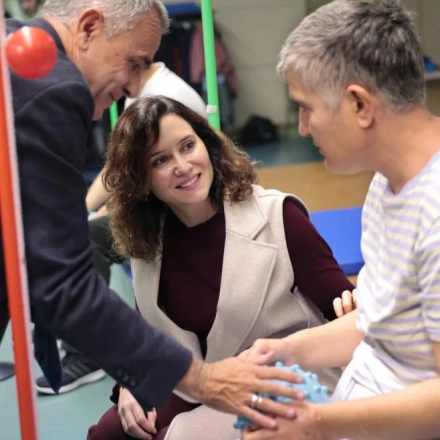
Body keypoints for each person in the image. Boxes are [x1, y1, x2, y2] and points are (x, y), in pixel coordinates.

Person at [0, 0, 313, 430]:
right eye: (133, 63)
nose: (133, 86)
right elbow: (61, 282)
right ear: (88, 28)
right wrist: (199, 380)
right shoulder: (54, 85)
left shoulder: (278, 215)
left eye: (187, 147)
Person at [86, 95, 355, 440]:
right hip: (193, 382)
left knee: (171, 436)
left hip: (277, 382)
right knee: (110, 432)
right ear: (141, 179)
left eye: (187, 146)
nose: (182, 165)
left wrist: (354, 305)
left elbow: (345, 308)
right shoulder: (147, 241)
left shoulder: (278, 216)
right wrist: (129, 383)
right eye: (161, 160)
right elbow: (149, 335)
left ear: (206, 143)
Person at [241, 1, 440, 439]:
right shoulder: (388, 183)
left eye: (306, 108)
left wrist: (316, 424)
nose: (304, 128)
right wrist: (285, 351)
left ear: (359, 105)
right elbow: (378, 322)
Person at [35, 61, 208, 394]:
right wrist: (85, 209)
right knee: (83, 230)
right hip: (156, 202)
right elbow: (121, 167)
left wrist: (101, 208)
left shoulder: (164, 95)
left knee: (86, 240)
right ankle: (80, 337)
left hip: (174, 208)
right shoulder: (139, 92)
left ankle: (85, 353)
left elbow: (172, 172)